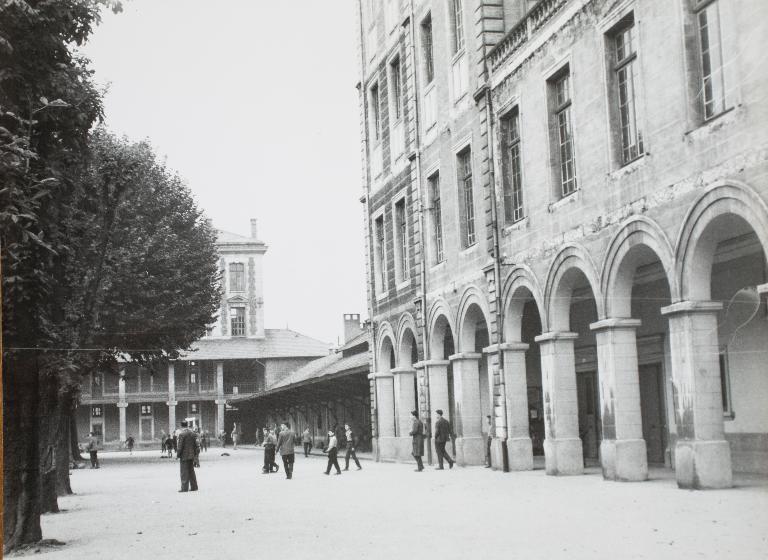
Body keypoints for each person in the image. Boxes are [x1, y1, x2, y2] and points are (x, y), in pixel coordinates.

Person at [176, 420, 199, 492]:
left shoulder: (182, 434)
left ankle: (184, 488)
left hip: (184, 455)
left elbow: (180, 446)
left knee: (184, 472)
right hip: (192, 455)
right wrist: (196, 455)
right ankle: (194, 486)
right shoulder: (192, 433)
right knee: (191, 471)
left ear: (181, 426)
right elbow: (196, 445)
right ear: (187, 425)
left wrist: (178, 454)